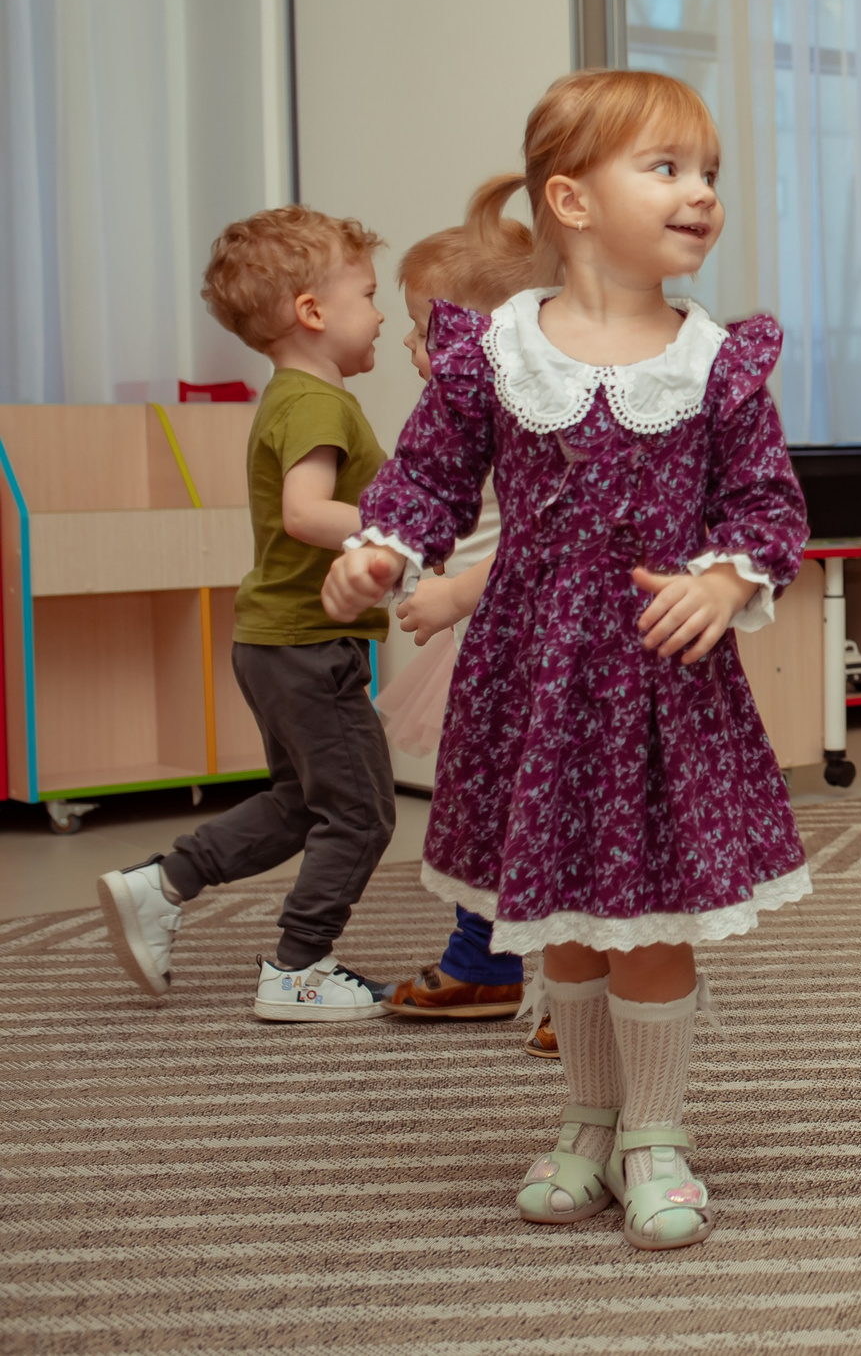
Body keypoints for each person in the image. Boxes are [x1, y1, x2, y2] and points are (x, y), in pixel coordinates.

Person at [323, 68, 811, 1252]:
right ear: (573, 200)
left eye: (710, 172)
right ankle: (586, 1118)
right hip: (533, 679)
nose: (701, 192)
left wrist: (723, 581)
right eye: (667, 168)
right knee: (569, 922)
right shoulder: (492, 351)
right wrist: (381, 551)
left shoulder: (716, 362)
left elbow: (768, 507)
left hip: (657, 683)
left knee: (650, 919)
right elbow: (428, 476)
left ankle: (656, 1134)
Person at [95, 207, 399, 1022]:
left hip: (273, 644)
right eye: (370, 295)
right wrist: (403, 525)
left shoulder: (293, 397)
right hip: (307, 647)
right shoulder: (318, 405)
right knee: (363, 812)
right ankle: (298, 968)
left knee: (301, 803)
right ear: (313, 310)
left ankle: (163, 883)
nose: (381, 314)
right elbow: (306, 512)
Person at [371, 226, 554, 1047]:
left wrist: (453, 593)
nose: (412, 344)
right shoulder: (461, 415)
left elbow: (547, 539)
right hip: (486, 649)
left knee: (539, 809)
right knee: (484, 806)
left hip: (537, 649)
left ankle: (573, 985)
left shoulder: (537, 418)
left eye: (424, 327)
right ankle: (486, 960)